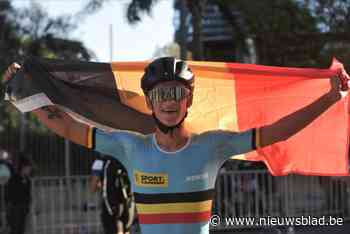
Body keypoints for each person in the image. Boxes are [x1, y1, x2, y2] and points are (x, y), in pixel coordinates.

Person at [3, 57, 349, 234]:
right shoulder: (129, 147)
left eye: (177, 94)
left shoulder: (213, 146)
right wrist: (20, 92)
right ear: (150, 102)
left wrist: (331, 97)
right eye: (161, 94)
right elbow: (64, 123)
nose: (169, 102)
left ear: (189, 101)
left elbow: (278, 132)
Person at [90, 156, 136, 234]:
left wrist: (101, 183)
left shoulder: (100, 162)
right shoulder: (127, 159)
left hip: (110, 203)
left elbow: (93, 187)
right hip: (127, 201)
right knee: (125, 228)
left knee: (112, 227)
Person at [4, 153, 32, 234]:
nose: (29, 170)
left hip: (23, 208)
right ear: (23, 168)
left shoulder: (27, 180)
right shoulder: (14, 178)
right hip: (14, 208)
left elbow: (28, 194)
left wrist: (28, 206)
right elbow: (10, 194)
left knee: (21, 229)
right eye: (28, 168)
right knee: (15, 229)